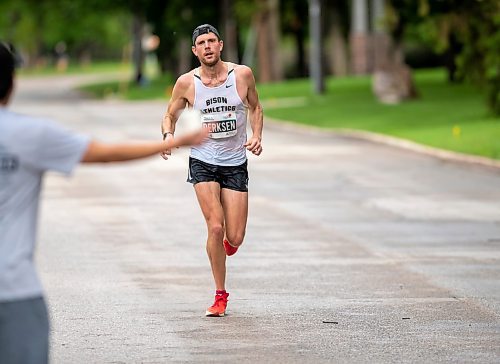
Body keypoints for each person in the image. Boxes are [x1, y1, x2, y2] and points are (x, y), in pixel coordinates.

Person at [0, 41, 207, 364]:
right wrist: (177, 141)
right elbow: (106, 155)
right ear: (12, 82)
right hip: (14, 293)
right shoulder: (29, 134)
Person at [160, 24, 263, 317]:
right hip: (203, 160)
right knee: (215, 227)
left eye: (211, 41)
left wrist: (257, 135)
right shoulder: (186, 83)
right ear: (195, 51)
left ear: (220, 45)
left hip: (234, 162)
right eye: (201, 43)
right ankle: (220, 295)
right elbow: (170, 114)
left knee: (236, 236)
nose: (207, 47)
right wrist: (168, 135)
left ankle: (228, 245)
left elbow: (256, 107)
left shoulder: (242, 75)